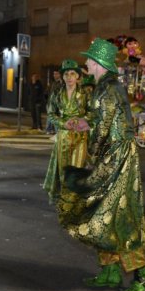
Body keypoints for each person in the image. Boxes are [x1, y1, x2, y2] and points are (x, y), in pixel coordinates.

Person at [59, 38, 145, 291]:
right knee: (102, 211)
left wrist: (92, 151)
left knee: (122, 215)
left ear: (99, 63)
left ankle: (144, 276)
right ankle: (110, 269)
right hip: (111, 155)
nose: (87, 63)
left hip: (117, 157)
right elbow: (100, 120)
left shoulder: (108, 88)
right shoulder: (104, 86)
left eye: (90, 59)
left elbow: (104, 129)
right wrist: (83, 124)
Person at [43, 59, 89, 203]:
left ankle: (74, 197)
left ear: (78, 76)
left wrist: (80, 121)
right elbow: (51, 114)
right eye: (66, 74)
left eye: (72, 74)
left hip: (80, 136)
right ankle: (64, 196)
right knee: (63, 168)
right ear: (62, 77)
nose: (69, 77)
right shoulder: (57, 93)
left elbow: (93, 112)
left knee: (77, 167)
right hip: (63, 135)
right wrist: (63, 123)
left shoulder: (85, 93)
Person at [45, 69, 64, 134]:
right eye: (54, 74)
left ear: (59, 74)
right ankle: (50, 129)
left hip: (56, 103)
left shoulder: (61, 83)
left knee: (54, 116)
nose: (54, 75)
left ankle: (52, 130)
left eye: (56, 74)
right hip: (50, 102)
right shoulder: (53, 83)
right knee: (50, 116)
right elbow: (49, 92)